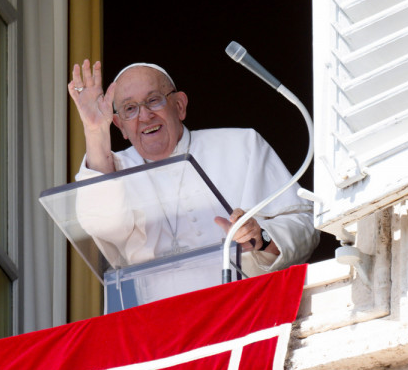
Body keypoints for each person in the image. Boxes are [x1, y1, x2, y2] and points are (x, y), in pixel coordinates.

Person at [68, 59, 319, 285]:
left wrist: (261, 238)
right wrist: (94, 132)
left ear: (179, 106)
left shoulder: (243, 145)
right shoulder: (113, 170)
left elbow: (305, 224)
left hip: (243, 306)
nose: (144, 115)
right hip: (158, 320)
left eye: (154, 100)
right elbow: (101, 225)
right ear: (120, 126)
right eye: (129, 109)